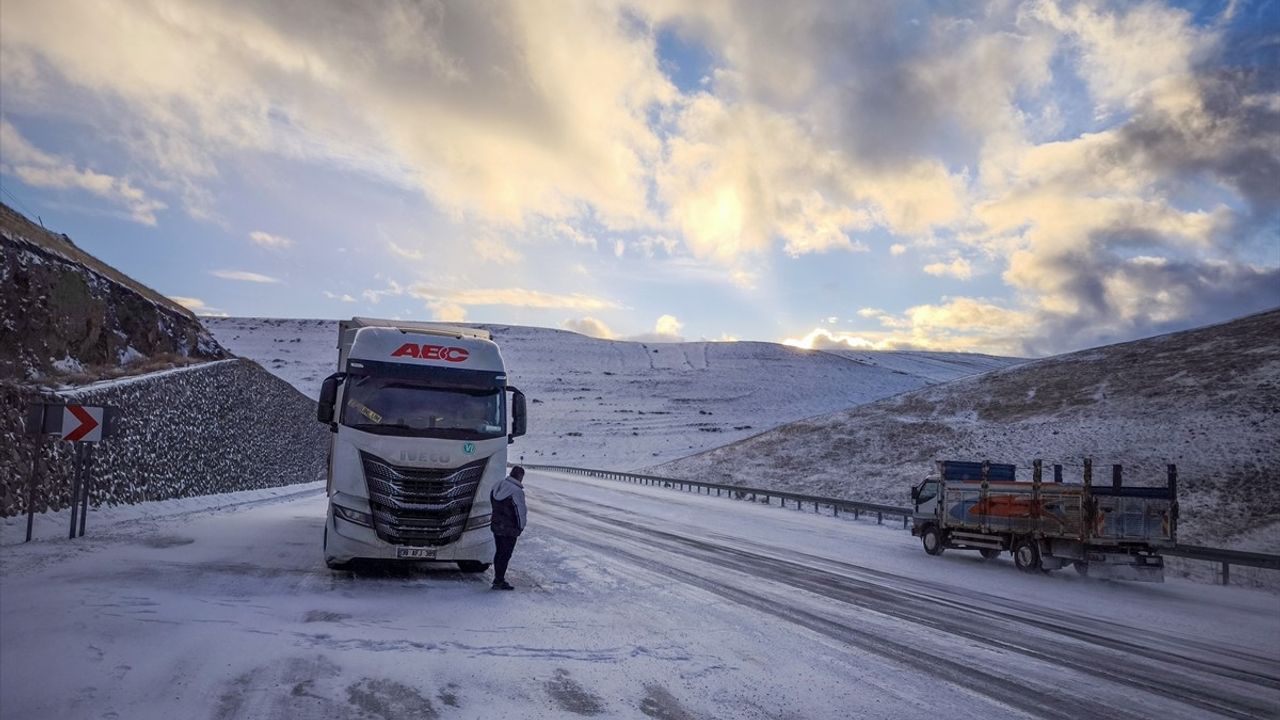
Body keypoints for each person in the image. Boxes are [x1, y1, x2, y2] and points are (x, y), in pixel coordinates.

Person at [489, 466, 527, 590]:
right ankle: (499, 580)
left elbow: (492, 502)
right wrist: (520, 527)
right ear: (520, 476)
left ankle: (498, 578)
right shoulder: (516, 491)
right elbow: (520, 511)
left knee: (499, 552)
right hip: (509, 529)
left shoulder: (499, 485)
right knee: (505, 554)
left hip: (497, 525)